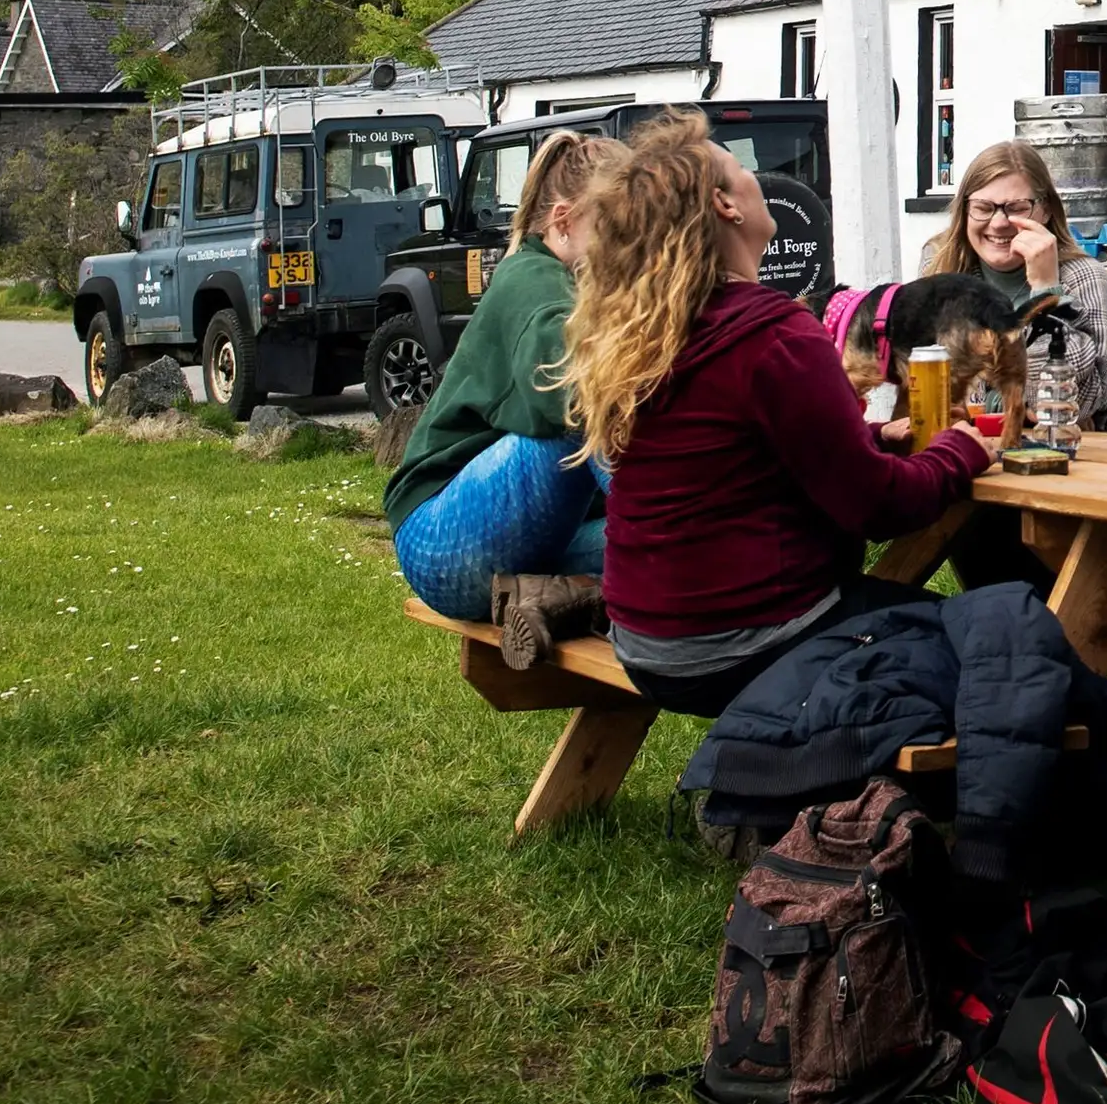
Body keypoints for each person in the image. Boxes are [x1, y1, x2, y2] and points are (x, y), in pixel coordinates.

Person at [569, 112, 995, 715]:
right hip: (745, 643)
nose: (759, 179)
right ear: (725, 205)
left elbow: (739, 453)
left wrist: (869, 435)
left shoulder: (656, 330)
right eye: (743, 170)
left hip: (645, 642)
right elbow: (878, 508)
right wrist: (961, 450)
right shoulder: (773, 333)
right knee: (1005, 638)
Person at [387, 131, 620, 655]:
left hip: (509, 543)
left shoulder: (576, 283)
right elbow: (573, 393)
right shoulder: (533, 281)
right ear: (564, 221)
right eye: (616, 227)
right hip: (439, 539)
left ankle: (555, 596)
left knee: (674, 552)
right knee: (593, 402)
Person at [921, 140, 1107, 381]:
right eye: (983, 208)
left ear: (1046, 210)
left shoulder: (1085, 278)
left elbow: (1068, 400)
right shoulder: (941, 264)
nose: (998, 223)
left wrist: (1046, 292)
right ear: (964, 211)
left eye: (1016, 208)